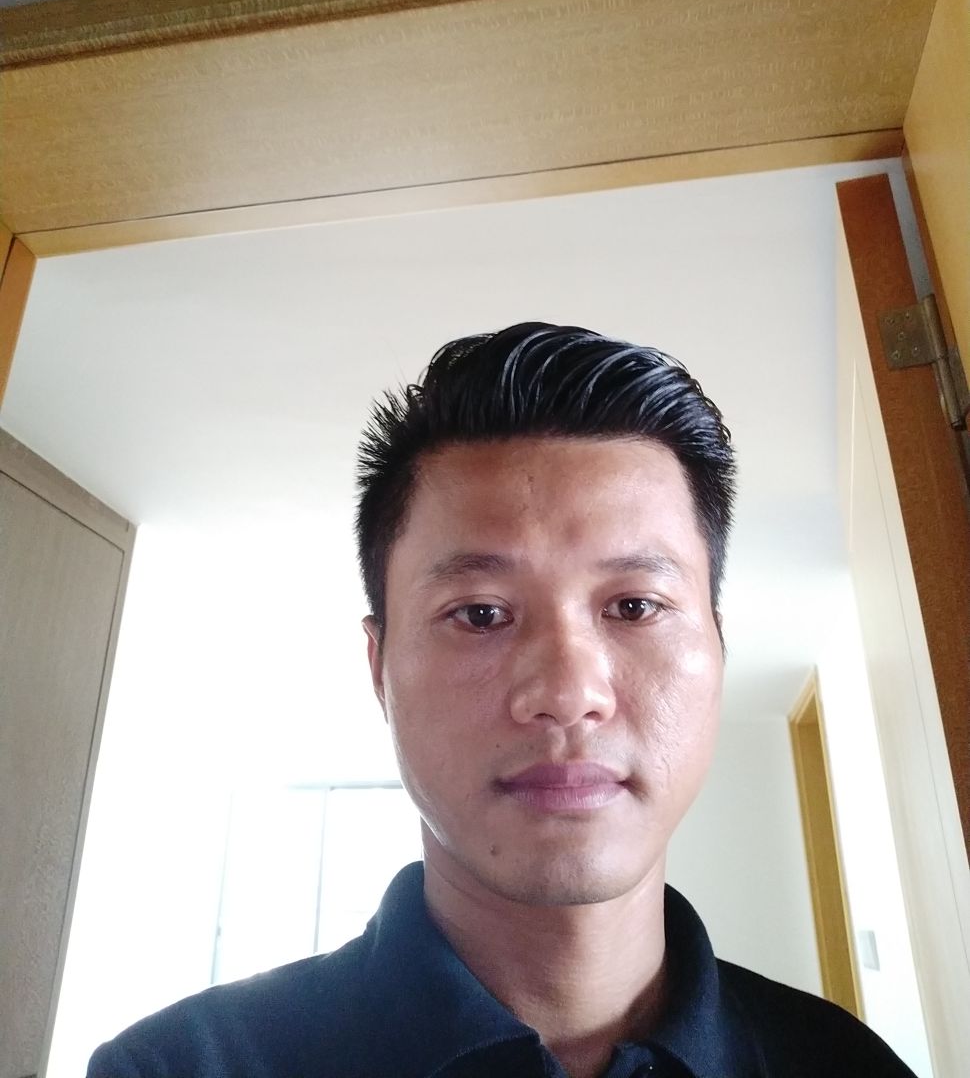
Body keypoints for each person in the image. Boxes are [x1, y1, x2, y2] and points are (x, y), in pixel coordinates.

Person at [88, 322, 916, 1077]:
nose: (567, 695)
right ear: (379, 669)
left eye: (634, 606)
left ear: (719, 648)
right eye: (480, 614)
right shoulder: (177, 1067)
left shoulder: (850, 1067)